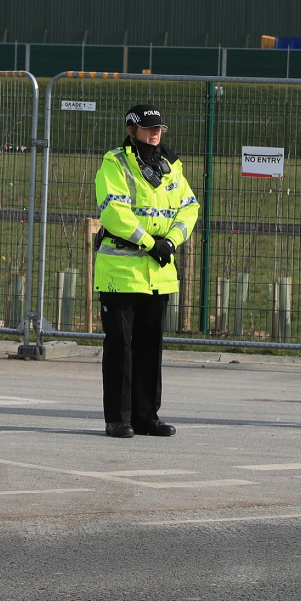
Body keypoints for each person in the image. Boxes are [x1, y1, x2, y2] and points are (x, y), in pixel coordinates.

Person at [92, 104, 199, 439]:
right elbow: (114, 213)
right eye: (149, 128)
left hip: (158, 272)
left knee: (151, 347)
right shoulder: (115, 163)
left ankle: (147, 416)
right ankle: (118, 418)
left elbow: (189, 207)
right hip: (120, 271)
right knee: (121, 347)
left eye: (159, 128)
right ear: (131, 130)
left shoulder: (171, 167)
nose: (156, 133)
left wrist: (171, 241)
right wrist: (149, 242)